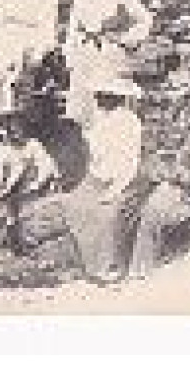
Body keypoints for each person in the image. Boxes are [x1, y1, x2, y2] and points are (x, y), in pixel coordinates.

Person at [58, 77, 153, 283]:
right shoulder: (101, 118)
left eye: (102, 95)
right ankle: (88, 264)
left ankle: (111, 266)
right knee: (74, 206)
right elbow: (95, 154)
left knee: (107, 213)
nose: (97, 99)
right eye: (97, 95)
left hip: (127, 178)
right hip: (100, 176)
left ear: (115, 97)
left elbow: (130, 162)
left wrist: (114, 190)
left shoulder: (129, 121)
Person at [65, 0, 154, 122]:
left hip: (109, 55)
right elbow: (73, 28)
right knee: (83, 106)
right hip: (84, 55)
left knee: (107, 105)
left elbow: (144, 21)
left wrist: (124, 39)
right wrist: (69, 54)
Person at [0, 111, 58, 249]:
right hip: (12, 188)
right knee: (10, 209)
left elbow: (46, 165)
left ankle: (25, 233)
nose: (14, 133)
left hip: (32, 186)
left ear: (24, 128)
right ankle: (12, 231)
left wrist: (38, 182)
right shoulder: (4, 148)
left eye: (18, 128)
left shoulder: (33, 144)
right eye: (10, 129)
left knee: (30, 215)